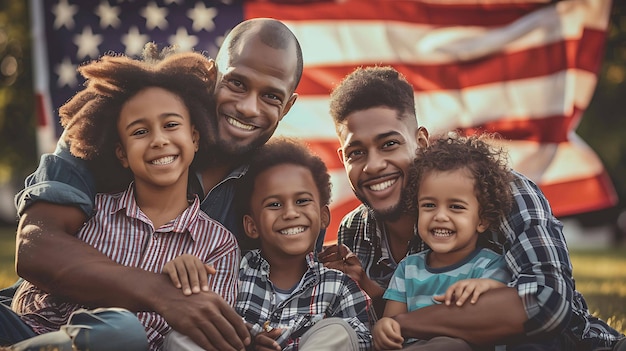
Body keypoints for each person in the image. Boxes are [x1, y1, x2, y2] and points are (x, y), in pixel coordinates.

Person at [6, 17, 302, 351]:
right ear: (211, 75)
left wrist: (242, 336)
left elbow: (283, 294)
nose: (249, 107)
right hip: (36, 323)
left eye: (272, 97)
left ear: (289, 105)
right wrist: (161, 293)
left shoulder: (282, 190)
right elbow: (35, 248)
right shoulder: (112, 122)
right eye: (237, 84)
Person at [317, 66, 626, 350]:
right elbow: (381, 329)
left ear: (420, 141)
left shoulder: (500, 192)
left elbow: (546, 303)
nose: (373, 166)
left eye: (389, 144)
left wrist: (403, 323)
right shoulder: (356, 230)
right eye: (356, 152)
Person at [162, 138, 374, 351]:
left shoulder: (339, 285)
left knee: (339, 331)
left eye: (302, 201)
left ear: (323, 216)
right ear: (251, 225)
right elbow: (204, 318)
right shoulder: (232, 269)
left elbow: (363, 341)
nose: (290, 213)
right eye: (274, 204)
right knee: (181, 336)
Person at [372, 132, 513, 351]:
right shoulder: (408, 269)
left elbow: (505, 305)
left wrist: (486, 286)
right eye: (429, 205)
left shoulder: (489, 266)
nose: (440, 216)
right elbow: (393, 320)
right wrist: (383, 327)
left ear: (482, 220)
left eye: (456, 207)